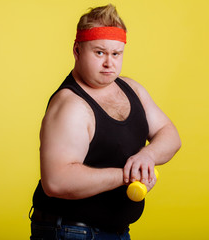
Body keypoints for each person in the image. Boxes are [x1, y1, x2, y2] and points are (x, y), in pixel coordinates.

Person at [29, 4, 181, 240]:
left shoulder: (132, 89)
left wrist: (147, 156)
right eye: (99, 53)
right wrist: (128, 175)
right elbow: (56, 181)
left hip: (115, 232)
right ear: (77, 51)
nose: (109, 63)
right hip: (72, 231)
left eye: (116, 54)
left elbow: (169, 133)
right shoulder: (71, 105)